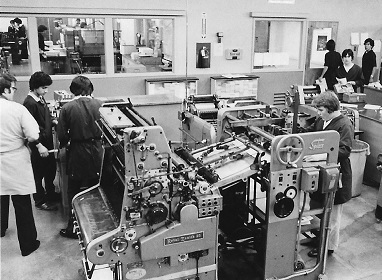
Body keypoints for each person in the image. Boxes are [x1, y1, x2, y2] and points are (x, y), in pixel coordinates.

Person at [304, 91, 354, 257]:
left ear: (331, 109)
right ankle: (318, 237)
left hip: (335, 176)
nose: (318, 113)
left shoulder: (344, 124)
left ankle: (327, 247)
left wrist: (320, 154)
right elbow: (311, 132)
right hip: (320, 173)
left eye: (321, 109)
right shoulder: (323, 120)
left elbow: (345, 150)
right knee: (317, 208)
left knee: (331, 215)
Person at [56, 75, 103, 239]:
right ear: (90, 89)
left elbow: (61, 134)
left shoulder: (67, 108)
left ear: (72, 90)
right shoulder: (100, 104)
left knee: (74, 192)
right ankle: (97, 228)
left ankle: (73, 228)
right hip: (98, 152)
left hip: (77, 152)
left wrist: (66, 143)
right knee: (96, 191)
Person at [0, 73, 41, 256]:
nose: (14, 92)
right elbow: (33, 135)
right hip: (15, 158)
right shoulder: (17, 109)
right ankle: (28, 244)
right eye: (14, 89)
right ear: (7, 89)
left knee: (0, 195)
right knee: (22, 203)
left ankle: (0, 228)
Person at [23, 71, 59, 211]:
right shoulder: (29, 103)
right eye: (44, 88)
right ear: (35, 87)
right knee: (38, 173)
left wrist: (53, 120)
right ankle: (40, 200)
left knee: (50, 170)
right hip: (39, 144)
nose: (46, 90)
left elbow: (45, 115)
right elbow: (28, 127)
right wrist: (38, 145)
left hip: (47, 141)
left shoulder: (40, 99)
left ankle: (50, 194)